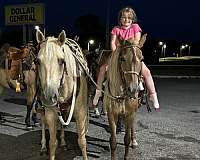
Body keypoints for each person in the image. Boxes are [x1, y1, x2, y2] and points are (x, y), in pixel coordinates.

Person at [93, 7, 160, 111]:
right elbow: (112, 42)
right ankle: (98, 92)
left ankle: (152, 95)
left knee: (146, 72)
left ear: (132, 19)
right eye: (123, 17)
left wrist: (129, 48)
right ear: (120, 19)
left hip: (132, 54)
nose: (126, 20)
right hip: (117, 54)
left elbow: (136, 41)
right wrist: (115, 53)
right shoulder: (116, 29)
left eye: (129, 18)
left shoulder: (135, 27)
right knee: (102, 69)